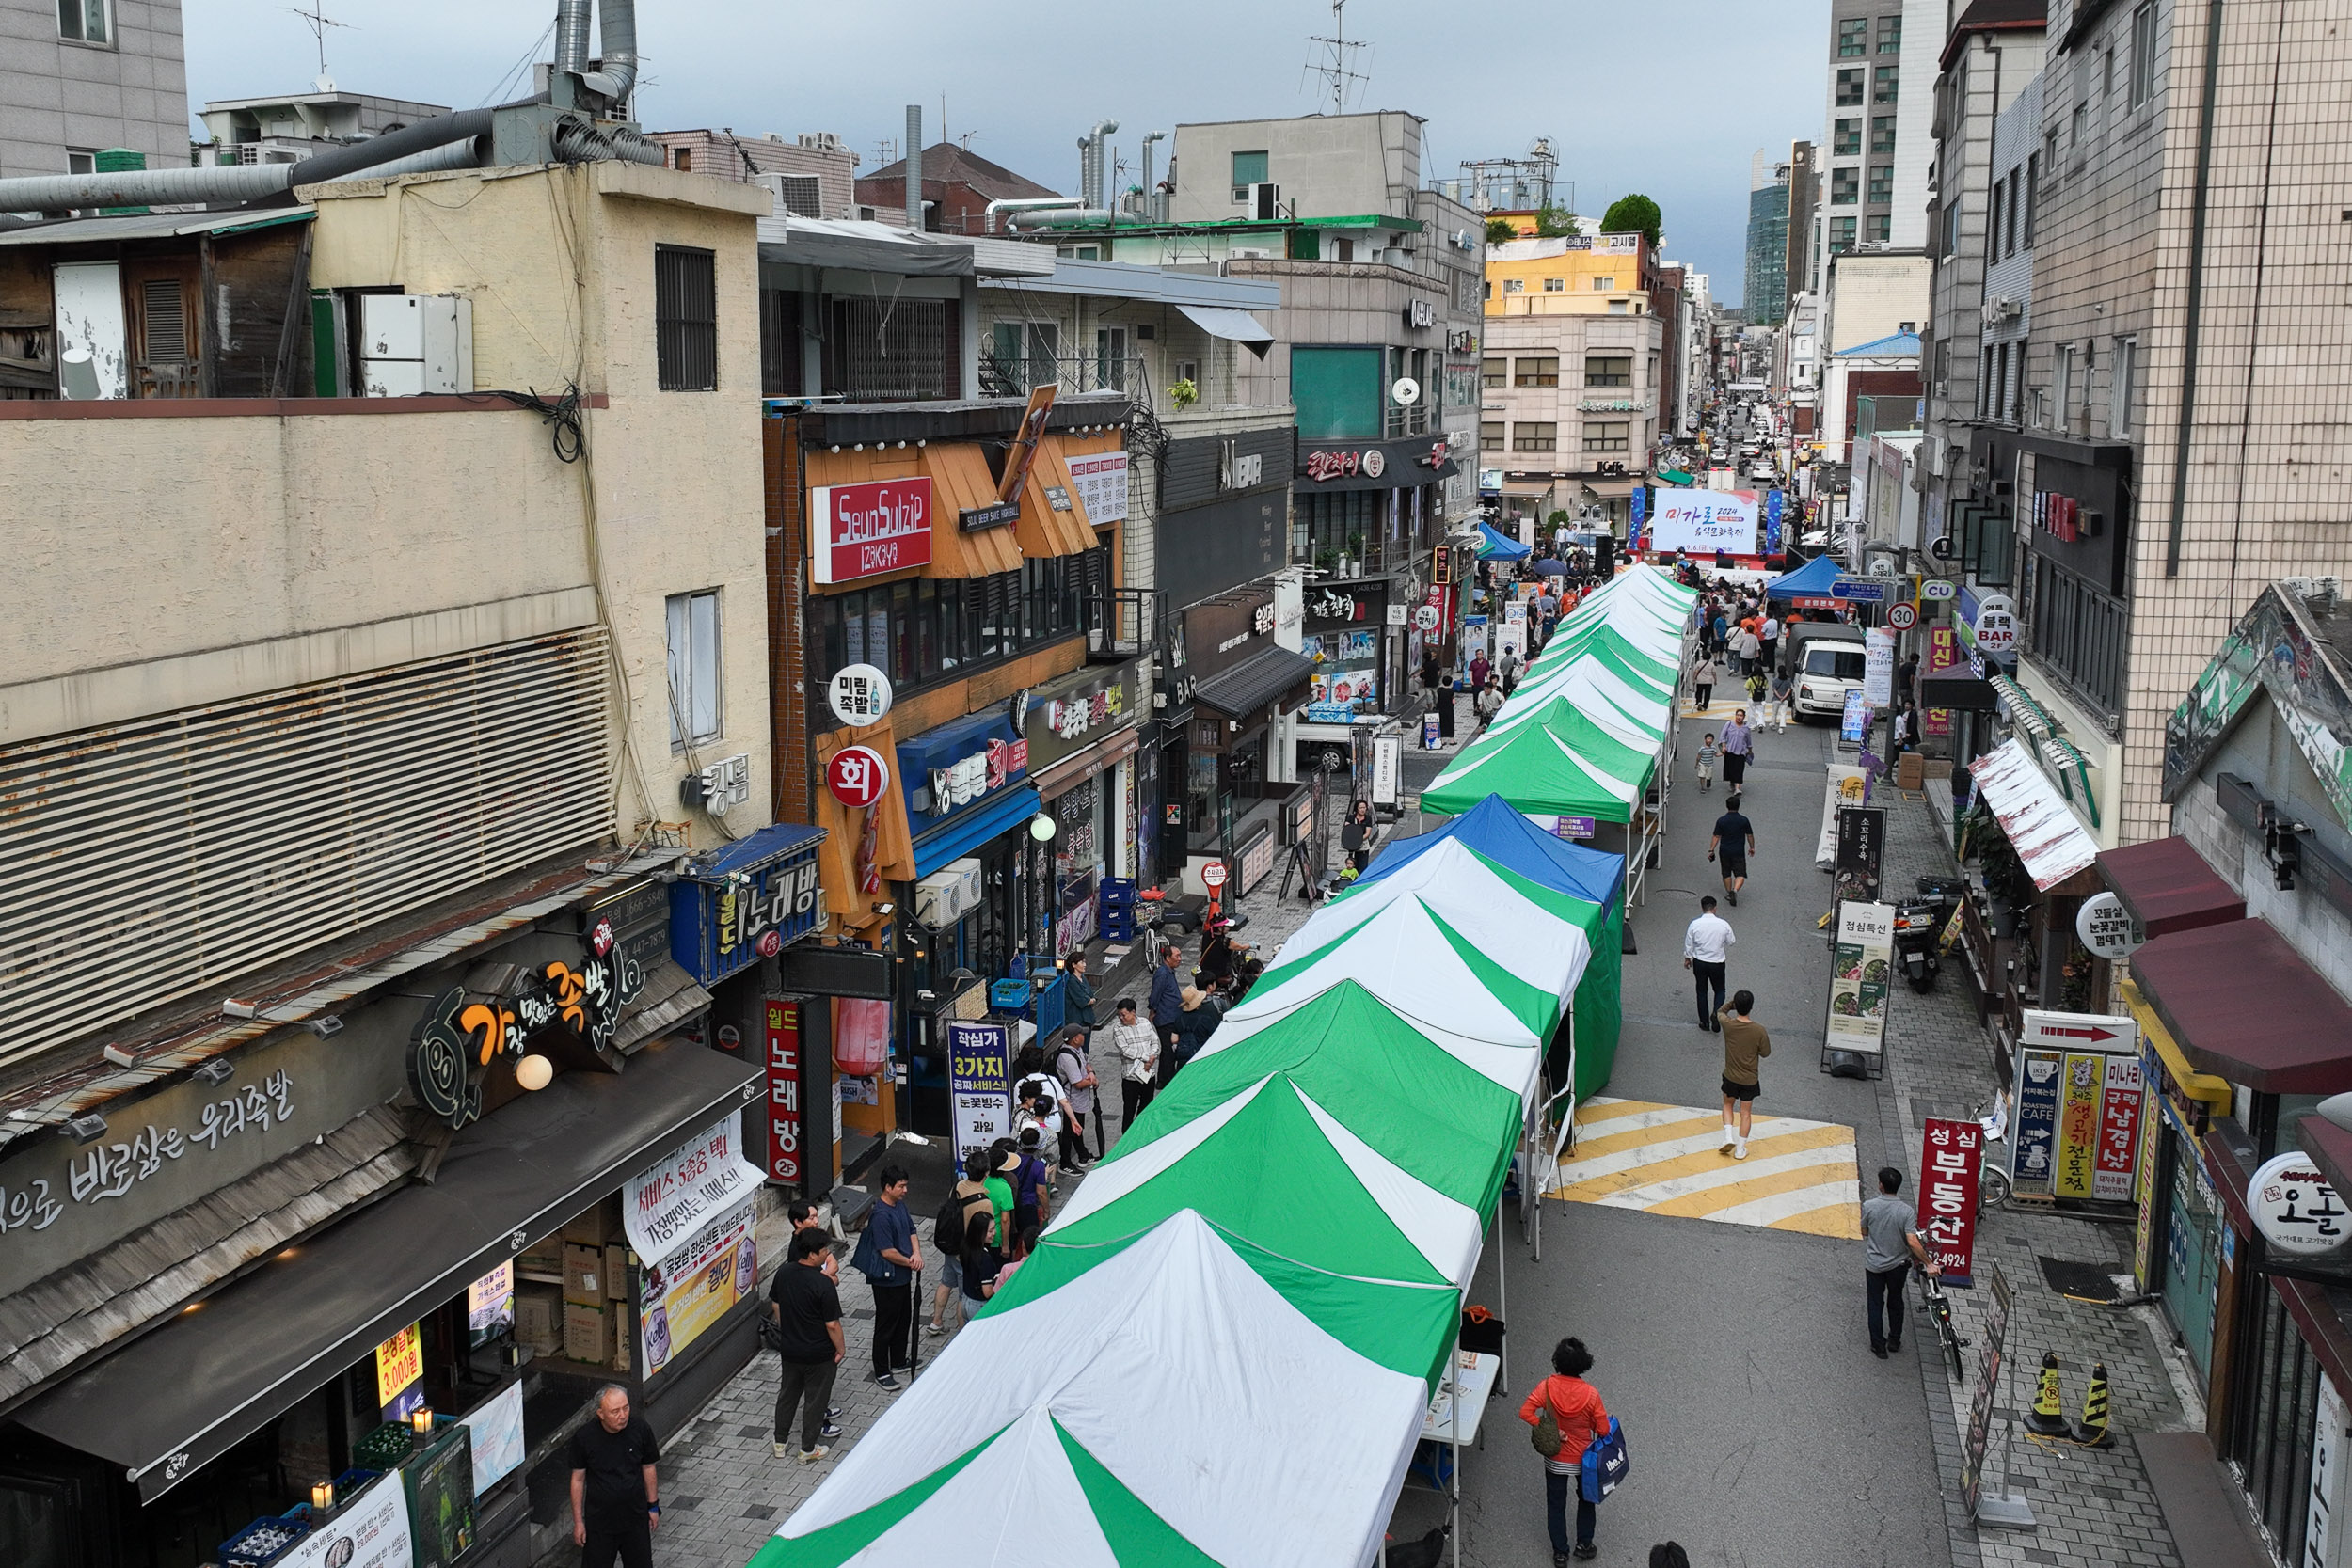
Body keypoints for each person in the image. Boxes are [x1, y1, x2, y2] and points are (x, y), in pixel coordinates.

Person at [1518, 1338, 1611, 1563]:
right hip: (1584, 1460)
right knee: (1586, 1499)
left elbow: (1525, 1412)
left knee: (1556, 1504)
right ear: (1583, 1364)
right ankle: (1584, 1543)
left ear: (1557, 1362)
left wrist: (1552, 1430)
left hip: (1555, 1456)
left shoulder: (1546, 1387)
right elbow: (1603, 1430)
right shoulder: (1591, 1394)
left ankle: (1560, 1552)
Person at [768, 1228, 845, 1462]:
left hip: (790, 1349)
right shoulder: (823, 1284)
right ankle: (807, 1449)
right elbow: (832, 1324)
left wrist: (788, 1329)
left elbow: (776, 1305)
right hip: (819, 1354)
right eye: (824, 1250)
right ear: (812, 1254)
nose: (827, 1253)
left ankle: (780, 1442)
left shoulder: (784, 1273)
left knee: (788, 1395)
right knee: (815, 1401)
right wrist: (841, 1349)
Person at [568, 1386, 660, 1568]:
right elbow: (577, 1480)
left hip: (635, 1518)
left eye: (626, 1408)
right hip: (600, 1524)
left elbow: (648, 1467)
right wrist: (578, 1522)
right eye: (615, 1411)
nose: (623, 1415)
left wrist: (653, 1506)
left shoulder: (640, 1429)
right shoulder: (584, 1438)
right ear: (600, 1413)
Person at [852, 1165, 921, 1391]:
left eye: (905, 1185)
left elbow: (912, 1230)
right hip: (887, 1280)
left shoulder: (899, 1206)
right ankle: (882, 1370)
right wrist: (910, 1261)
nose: (905, 1190)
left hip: (902, 1276)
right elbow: (887, 1252)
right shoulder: (881, 1215)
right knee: (886, 1324)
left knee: (903, 1319)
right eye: (901, 1186)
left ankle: (899, 1360)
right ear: (888, 1187)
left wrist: (917, 1253)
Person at [1863, 1166, 1940, 1358]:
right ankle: (1894, 1340)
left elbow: (1864, 1232)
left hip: (1874, 1264)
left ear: (1881, 1185)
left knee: (1875, 1303)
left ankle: (1878, 1345)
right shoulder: (1906, 1211)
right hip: (1898, 1266)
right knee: (1896, 1300)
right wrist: (1928, 1262)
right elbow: (1912, 1242)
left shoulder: (1869, 1206)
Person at [930, 1152, 997, 1336]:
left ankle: (936, 1321)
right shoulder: (984, 1203)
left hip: (951, 1245)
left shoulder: (958, 1186)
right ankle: (962, 1336)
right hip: (966, 1253)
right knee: (963, 1295)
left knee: (945, 1282)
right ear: (986, 1173)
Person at [1715, 989, 1772, 1160]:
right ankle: (1740, 1150)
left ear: (1736, 1006)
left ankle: (1727, 1137)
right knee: (1745, 1113)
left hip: (1730, 1075)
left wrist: (1732, 1003)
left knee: (1727, 1105)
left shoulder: (1728, 1024)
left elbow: (1720, 1011)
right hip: (1749, 1079)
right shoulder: (1759, 1030)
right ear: (1751, 1007)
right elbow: (1765, 1053)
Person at [1108, 996, 1159, 1136]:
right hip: (1130, 1077)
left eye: (1123, 1015)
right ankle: (1127, 1137)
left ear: (1133, 1012)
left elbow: (1155, 1042)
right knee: (1129, 1110)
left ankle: (1142, 1133)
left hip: (1148, 1074)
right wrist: (1146, 1058)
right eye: (1119, 1015)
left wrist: (1152, 1056)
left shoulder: (1145, 1023)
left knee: (1147, 1106)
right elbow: (1125, 1050)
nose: (1121, 1018)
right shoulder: (1118, 1029)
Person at [1683, 895, 1734, 1031]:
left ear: (1702, 908)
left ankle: (1704, 1022)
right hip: (1717, 962)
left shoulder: (1695, 924)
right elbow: (1731, 941)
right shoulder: (1723, 924)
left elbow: (1689, 943)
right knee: (1720, 990)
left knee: (1701, 991)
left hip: (1700, 962)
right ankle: (1717, 1013)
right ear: (1715, 908)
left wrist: (1688, 958)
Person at [1052, 1025, 1099, 1167]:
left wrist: (1091, 1073)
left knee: (1077, 1127)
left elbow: (1086, 1064)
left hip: (1080, 1098)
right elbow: (1077, 1083)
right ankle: (1065, 1162)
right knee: (1070, 1130)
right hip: (1073, 1099)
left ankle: (1083, 1155)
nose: (1084, 1036)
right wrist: (1093, 1080)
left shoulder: (1077, 1050)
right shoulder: (1068, 1058)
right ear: (1075, 1039)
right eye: (1081, 1034)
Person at [1148, 942, 1185, 1086]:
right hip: (1165, 1018)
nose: (1180, 959)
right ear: (1168, 957)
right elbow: (1155, 995)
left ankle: (1165, 1079)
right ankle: (1165, 1080)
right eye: (1177, 956)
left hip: (1172, 1016)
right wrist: (1153, 1009)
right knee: (1168, 1050)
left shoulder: (1169, 971)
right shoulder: (1162, 973)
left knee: (1170, 1050)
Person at [1708, 793, 1755, 905]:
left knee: (1726, 873)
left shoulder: (1721, 820)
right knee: (1740, 873)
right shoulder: (1744, 820)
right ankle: (1735, 890)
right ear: (1738, 806)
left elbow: (1716, 836)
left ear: (1727, 806)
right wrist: (1752, 847)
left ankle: (1729, 892)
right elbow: (1749, 835)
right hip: (1738, 851)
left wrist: (1711, 850)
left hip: (1724, 850)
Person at [1169, 983, 1220, 1073]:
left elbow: (1174, 1039)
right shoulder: (1205, 1019)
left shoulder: (1179, 1019)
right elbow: (1215, 1038)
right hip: (1200, 1057)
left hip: (1183, 1060)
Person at [1719, 709, 1753, 792]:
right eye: (1738, 715)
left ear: (1744, 717)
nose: (1739, 717)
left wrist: (1750, 751)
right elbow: (1722, 736)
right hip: (1730, 750)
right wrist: (1723, 746)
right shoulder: (1729, 724)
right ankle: (1732, 783)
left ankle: (1737, 789)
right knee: (1730, 769)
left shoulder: (1746, 729)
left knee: (1739, 770)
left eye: (1741, 715)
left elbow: (1749, 741)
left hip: (1741, 752)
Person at [1062, 953, 1098, 1030]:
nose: (1084, 965)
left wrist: (1091, 999)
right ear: (1074, 965)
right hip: (1077, 1020)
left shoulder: (1083, 978)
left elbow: (1091, 994)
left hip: (1087, 1018)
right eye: (1082, 962)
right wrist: (1090, 1000)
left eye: (1084, 962)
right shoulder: (1072, 982)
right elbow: (1083, 1001)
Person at [1341, 798, 1376, 873]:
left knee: (1362, 866)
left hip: (1363, 845)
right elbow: (1347, 830)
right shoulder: (1351, 818)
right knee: (1352, 865)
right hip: (1351, 845)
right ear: (1356, 808)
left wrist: (1358, 840)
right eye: (1360, 808)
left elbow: (1367, 833)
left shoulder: (1368, 819)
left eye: (1364, 807)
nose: (1363, 809)